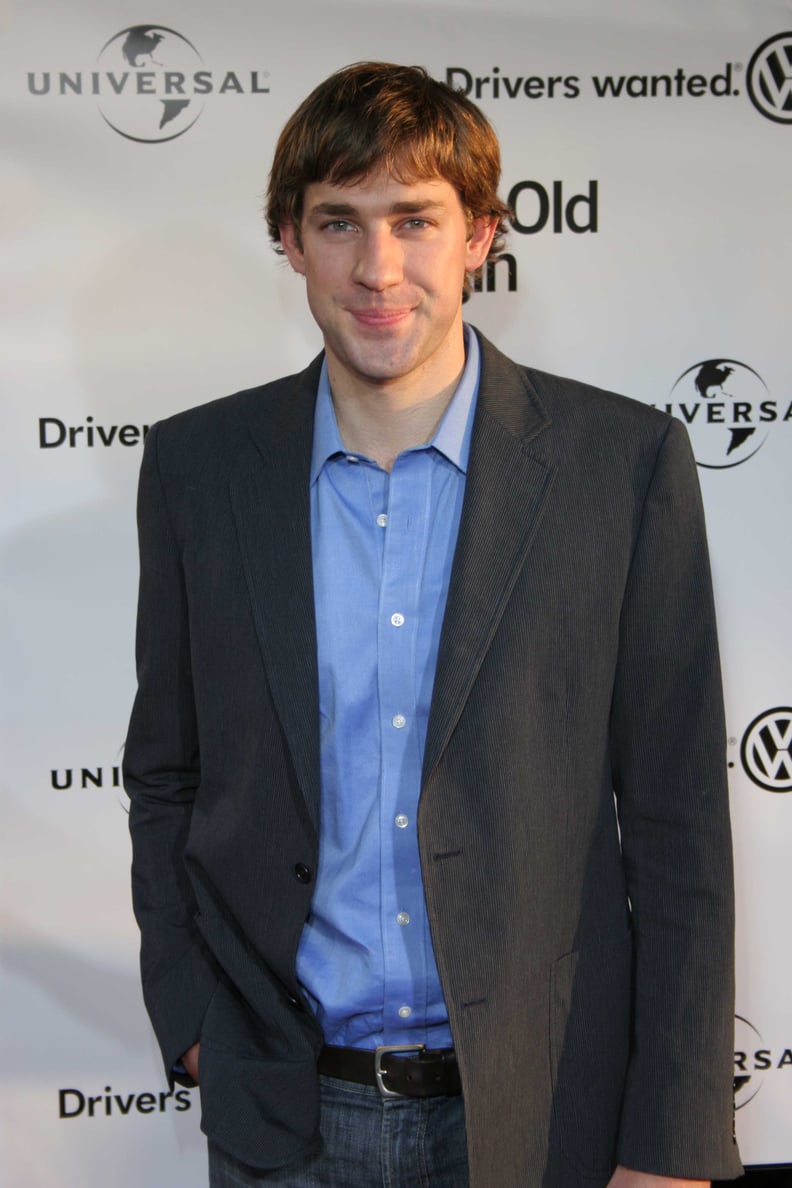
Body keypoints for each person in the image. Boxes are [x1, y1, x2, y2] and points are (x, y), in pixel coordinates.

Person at [124, 62, 742, 1188]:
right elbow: (168, 771)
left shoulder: (623, 466)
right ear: (290, 241)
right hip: (283, 1118)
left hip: (550, 1112)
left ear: (481, 237)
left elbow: (681, 820)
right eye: (339, 223)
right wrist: (194, 1016)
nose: (377, 268)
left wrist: (673, 1141)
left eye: (415, 219)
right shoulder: (198, 467)